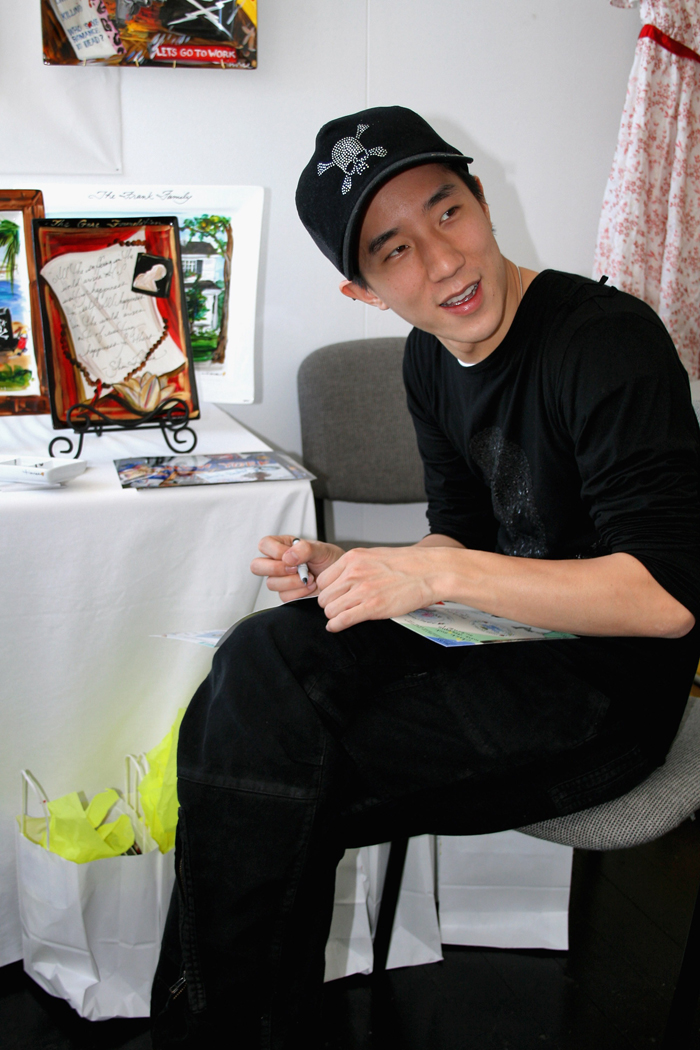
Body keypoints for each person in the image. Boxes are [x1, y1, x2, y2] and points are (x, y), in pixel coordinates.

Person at [151, 107, 700, 1050]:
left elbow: (664, 601)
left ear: (482, 200)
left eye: (447, 212)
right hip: (503, 648)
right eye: (395, 251)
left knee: (250, 778)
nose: (442, 263)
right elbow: (467, 549)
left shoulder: (607, 341)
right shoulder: (428, 358)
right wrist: (361, 569)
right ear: (362, 291)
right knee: (262, 656)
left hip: (609, 691)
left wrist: (431, 572)